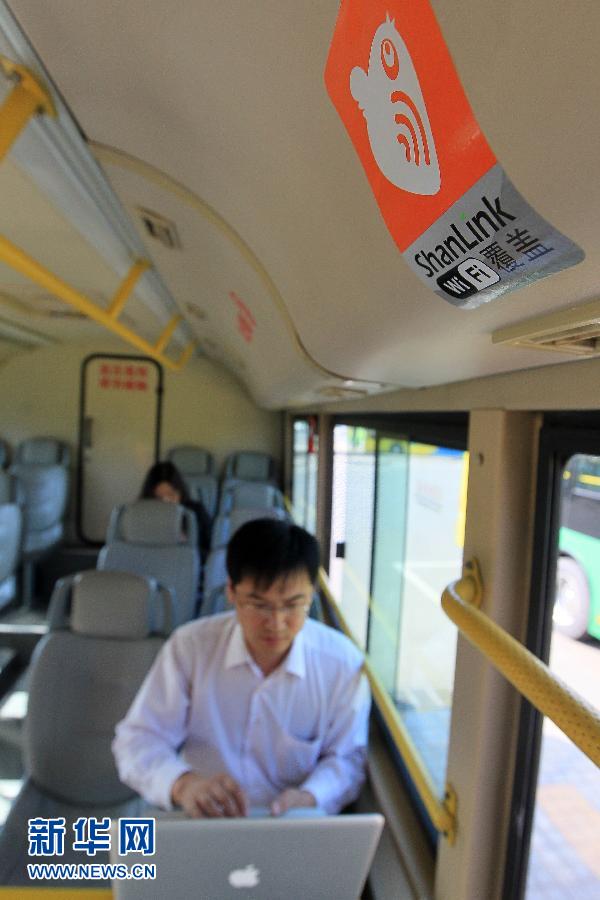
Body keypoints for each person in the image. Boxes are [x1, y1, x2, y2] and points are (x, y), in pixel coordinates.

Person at [112, 518, 370, 818]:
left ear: (311, 595)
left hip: (292, 825)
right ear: (231, 591)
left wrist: (310, 796)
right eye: (259, 605)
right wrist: (184, 785)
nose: (276, 623)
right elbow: (138, 741)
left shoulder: (341, 665)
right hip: (204, 817)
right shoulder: (191, 647)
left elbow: (347, 760)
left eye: (292, 605)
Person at [140, 460, 212, 564]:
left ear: (180, 493)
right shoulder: (138, 516)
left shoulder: (196, 513)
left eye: (171, 494)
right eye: (158, 497)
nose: (166, 502)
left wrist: (188, 545)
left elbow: (211, 556)